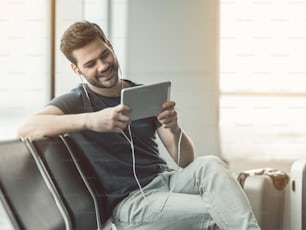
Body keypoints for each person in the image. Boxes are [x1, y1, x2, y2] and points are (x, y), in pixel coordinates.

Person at [17, 21, 260, 230]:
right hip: (132, 203)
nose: (102, 66)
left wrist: (174, 127)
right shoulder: (76, 101)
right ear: (76, 69)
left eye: (104, 55)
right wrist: (93, 120)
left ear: (111, 46)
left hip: (167, 181)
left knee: (211, 164)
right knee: (220, 208)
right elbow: (26, 129)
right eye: (90, 64)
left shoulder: (142, 93)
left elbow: (185, 161)